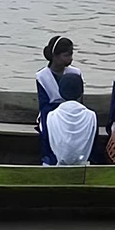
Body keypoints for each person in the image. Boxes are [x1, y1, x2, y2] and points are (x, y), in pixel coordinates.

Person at [36, 36, 82, 166]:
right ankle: (49, 158)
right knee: (47, 129)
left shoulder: (75, 73)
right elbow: (43, 105)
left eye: (71, 54)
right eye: (66, 55)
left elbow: (80, 99)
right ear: (55, 56)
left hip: (72, 109)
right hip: (50, 112)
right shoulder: (42, 76)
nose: (70, 59)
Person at [46, 74, 98, 166]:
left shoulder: (51, 116)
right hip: (84, 165)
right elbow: (94, 146)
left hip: (58, 166)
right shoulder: (91, 116)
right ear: (81, 92)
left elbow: (48, 144)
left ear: (60, 92)